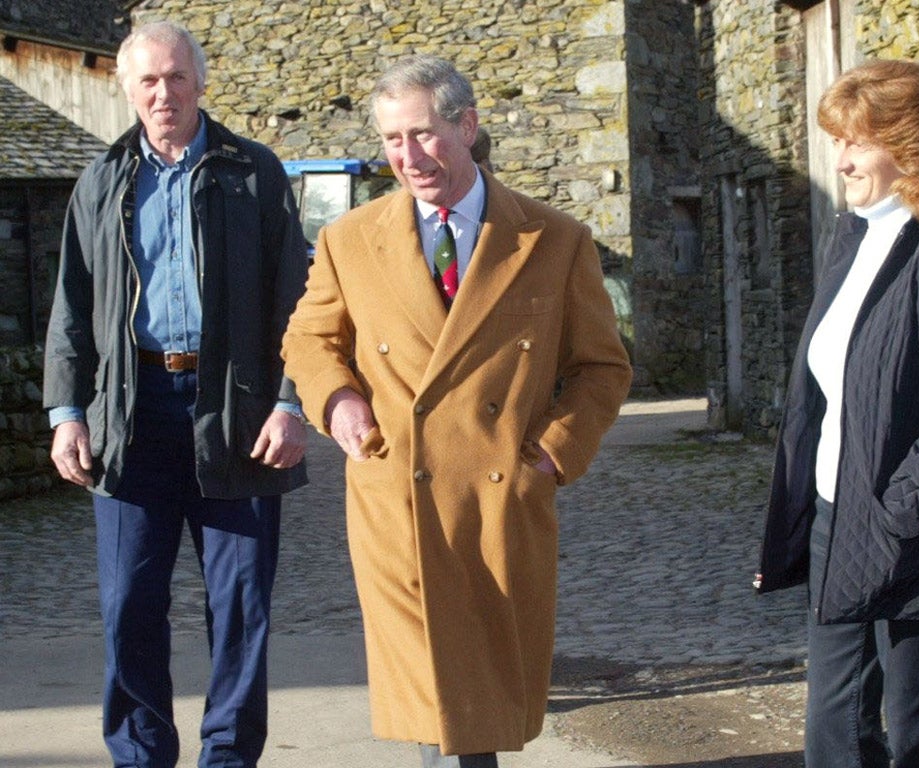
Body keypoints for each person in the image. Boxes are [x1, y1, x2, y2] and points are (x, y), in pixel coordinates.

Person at [281, 54, 632, 767]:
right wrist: (339, 400)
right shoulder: (350, 239)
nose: (407, 157)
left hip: (500, 495)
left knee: (483, 695)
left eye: (423, 134)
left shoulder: (552, 239)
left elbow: (601, 367)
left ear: (467, 125)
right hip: (396, 495)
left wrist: (552, 451)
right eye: (390, 141)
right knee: (433, 703)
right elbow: (308, 339)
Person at [43, 20, 309, 768]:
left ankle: (228, 756)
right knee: (128, 603)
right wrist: (67, 414)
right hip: (131, 416)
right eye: (148, 81)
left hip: (240, 414)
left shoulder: (253, 172)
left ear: (200, 81)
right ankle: (140, 754)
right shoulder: (101, 179)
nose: (163, 94)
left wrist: (292, 403)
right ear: (128, 89)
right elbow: (71, 305)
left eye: (175, 77)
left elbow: (300, 301)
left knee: (241, 608)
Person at [755, 59, 919, 767]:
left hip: (918, 538)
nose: (838, 159)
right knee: (834, 734)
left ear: (913, 148)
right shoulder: (851, 239)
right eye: (836, 140)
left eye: (856, 141)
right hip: (835, 525)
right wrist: (802, 509)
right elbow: (826, 392)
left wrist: (898, 513)